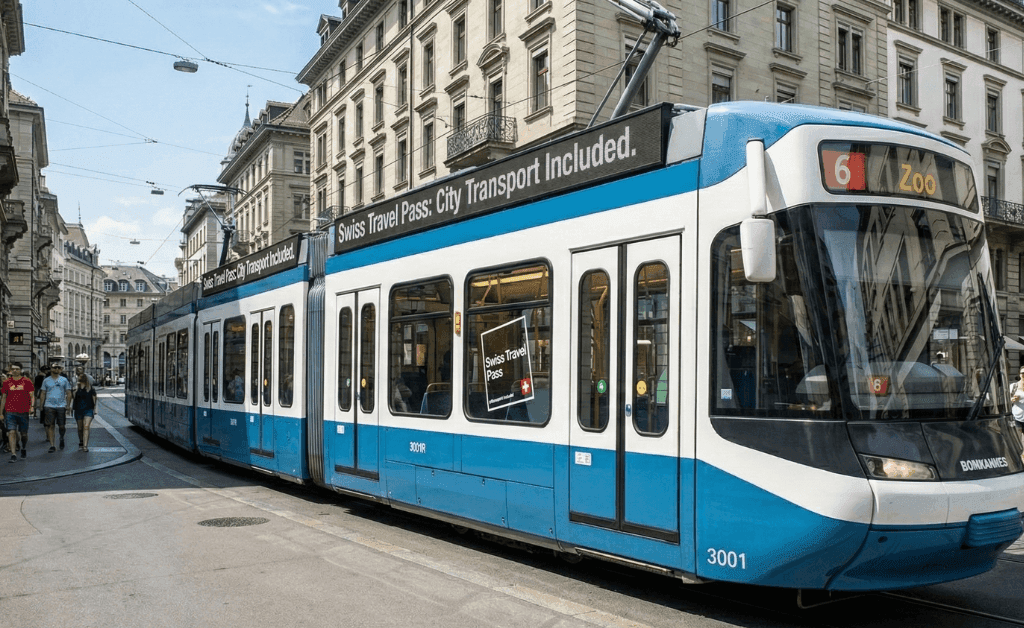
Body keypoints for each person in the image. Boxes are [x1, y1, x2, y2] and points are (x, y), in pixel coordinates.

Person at [1, 362, 34, 462]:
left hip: (23, 411)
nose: (15, 371)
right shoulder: (7, 382)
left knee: (23, 434)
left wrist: (31, 407)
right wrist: (1, 413)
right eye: (13, 369)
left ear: (21, 370)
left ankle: (23, 447)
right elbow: (4, 398)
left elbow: (32, 395)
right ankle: (13, 454)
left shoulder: (27, 381)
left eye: (17, 369)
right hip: (10, 411)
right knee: (11, 432)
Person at [39, 363, 73, 453]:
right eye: (55, 367)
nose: (57, 369)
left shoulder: (64, 380)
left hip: (61, 405)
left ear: (61, 370)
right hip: (49, 405)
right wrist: (41, 405)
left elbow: (69, 393)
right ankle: (52, 445)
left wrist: (68, 405)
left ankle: (61, 437)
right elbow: (43, 393)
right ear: (51, 369)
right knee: (50, 425)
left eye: (59, 368)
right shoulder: (46, 380)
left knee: (61, 426)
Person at [72, 373, 98, 452]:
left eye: (83, 377)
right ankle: (81, 441)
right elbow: (74, 398)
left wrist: (95, 410)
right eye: (81, 377)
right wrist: (74, 390)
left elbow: (95, 400)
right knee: (80, 428)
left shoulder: (91, 388)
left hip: (88, 410)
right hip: (78, 409)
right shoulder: (76, 388)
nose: (82, 378)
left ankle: (85, 446)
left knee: (86, 427)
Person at [1010, 366, 1024, 444]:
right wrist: (1012, 399)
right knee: (1017, 441)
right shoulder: (1013, 386)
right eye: (1022, 373)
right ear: (1019, 374)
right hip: (1017, 417)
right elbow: (1007, 400)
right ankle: (1019, 455)